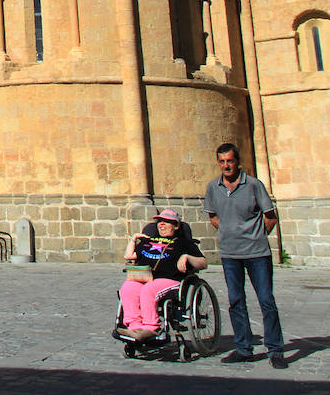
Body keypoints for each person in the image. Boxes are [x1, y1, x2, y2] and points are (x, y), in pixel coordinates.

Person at [203, 143, 286, 368]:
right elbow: (213, 216)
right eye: (222, 162)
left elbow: (270, 216)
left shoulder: (253, 185)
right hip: (230, 254)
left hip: (257, 253)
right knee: (236, 301)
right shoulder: (213, 187)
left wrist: (257, 236)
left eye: (230, 161)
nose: (226, 165)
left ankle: (276, 350)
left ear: (238, 161)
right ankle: (243, 348)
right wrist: (230, 231)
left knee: (266, 300)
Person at [117, 207, 208, 340]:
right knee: (128, 288)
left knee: (149, 290)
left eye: (166, 221)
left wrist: (187, 257)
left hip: (170, 279)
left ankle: (151, 327)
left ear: (176, 226)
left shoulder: (183, 243)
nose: (161, 224)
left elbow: (203, 263)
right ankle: (134, 327)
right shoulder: (148, 241)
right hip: (145, 277)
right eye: (159, 221)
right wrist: (133, 240)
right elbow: (129, 256)